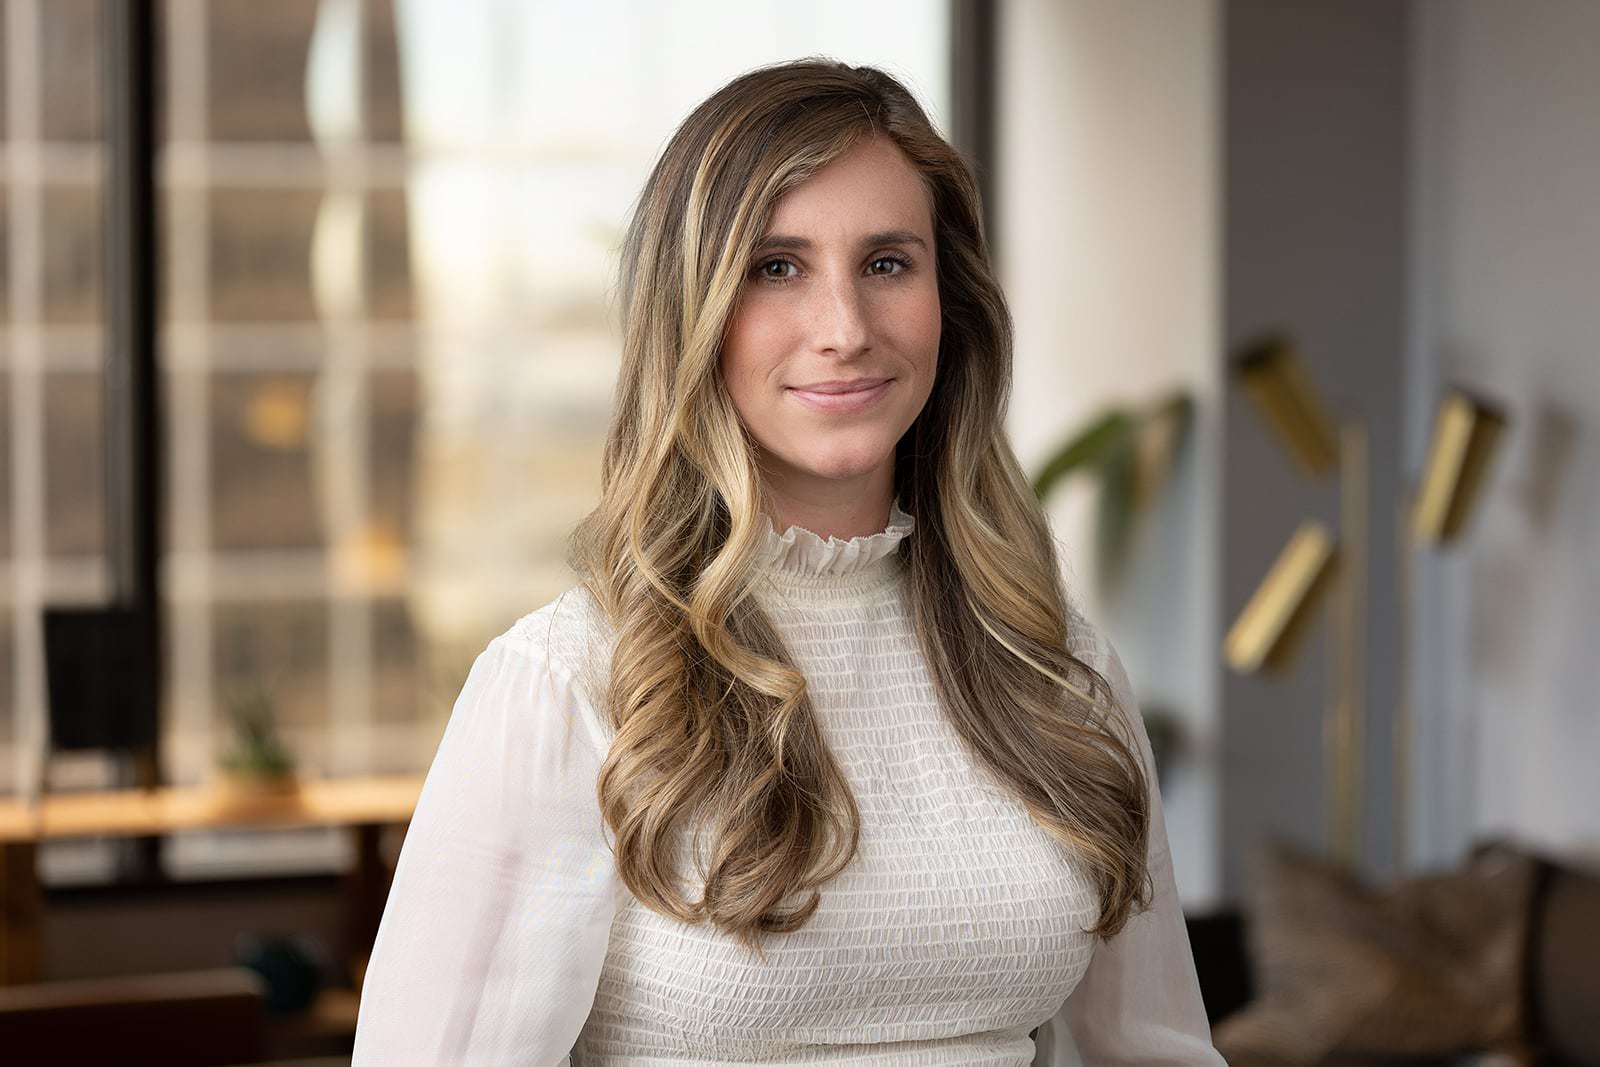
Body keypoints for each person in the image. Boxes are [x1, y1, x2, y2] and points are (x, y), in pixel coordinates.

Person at [352, 59, 1223, 1065]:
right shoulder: (563, 684)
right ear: (695, 313)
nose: (845, 330)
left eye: (888, 263)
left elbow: (1156, 1050)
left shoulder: (1054, 669)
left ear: (953, 304)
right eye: (777, 266)